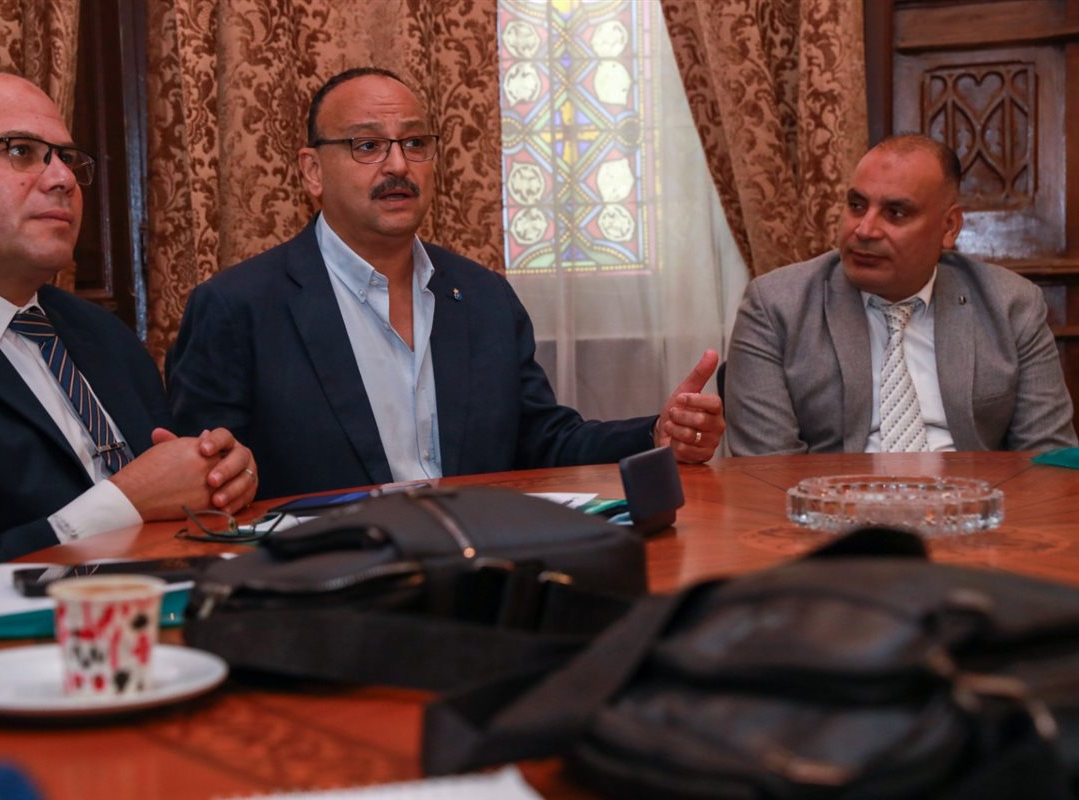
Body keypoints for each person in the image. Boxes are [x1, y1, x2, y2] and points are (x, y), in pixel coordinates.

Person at [166, 67, 725, 499]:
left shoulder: (483, 297)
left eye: (415, 143)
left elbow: (540, 441)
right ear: (313, 171)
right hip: (329, 592)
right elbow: (206, 487)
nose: (398, 166)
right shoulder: (237, 308)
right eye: (367, 146)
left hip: (479, 574)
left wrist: (655, 435)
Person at [0, 70, 259, 695]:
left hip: (172, 659)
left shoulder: (101, 334)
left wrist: (217, 479)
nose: (61, 179)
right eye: (19, 151)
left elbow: (168, 506)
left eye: (66, 158)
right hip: (8, 698)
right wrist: (122, 503)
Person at [724, 134, 1077, 454]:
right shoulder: (775, 306)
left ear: (949, 227)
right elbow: (768, 468)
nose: (864, 230)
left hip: (972, 499)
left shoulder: (1011, 305)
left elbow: (1049, 460)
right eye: (856, 206)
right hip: (831, 501)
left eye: (895, 213)